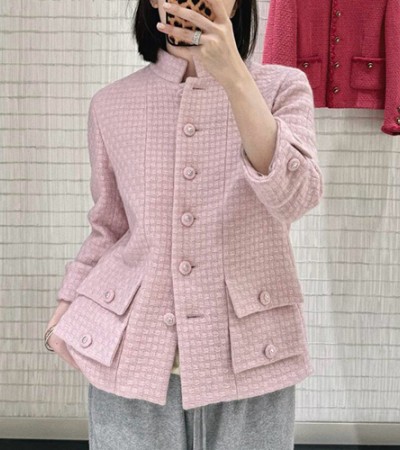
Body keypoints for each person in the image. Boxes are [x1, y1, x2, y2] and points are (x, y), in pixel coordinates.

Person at [44, 0, 324, 448]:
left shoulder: (282, 89)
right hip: (129, 358)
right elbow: (108, 227)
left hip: (252, 356)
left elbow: (297, 197)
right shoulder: (111, 104)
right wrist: (67, 304)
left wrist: (235, 77)